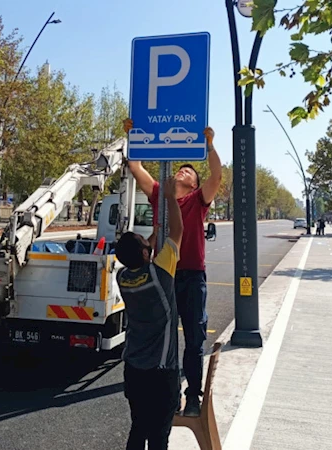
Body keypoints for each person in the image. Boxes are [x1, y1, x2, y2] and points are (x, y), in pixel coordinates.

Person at [123, 118, 222, 417]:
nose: (183, 170)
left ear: (193, 183)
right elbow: (135, 167)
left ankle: (193, 396)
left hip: (191, 276)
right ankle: (168, 394)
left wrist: (210, 144)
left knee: (194, 338)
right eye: (181, 168)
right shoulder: (158, 195)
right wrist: (133, 136)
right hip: (163, 275)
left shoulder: (198, 200)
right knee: (163, 338)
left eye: (189, 170)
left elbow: (216, 175)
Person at [116, 178, 183, 450]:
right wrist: (170, 198)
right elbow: (178, 231)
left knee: (139, 427)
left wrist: (153, 233)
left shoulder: (123, 277)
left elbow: (140, 254)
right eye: (147, 244)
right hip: (161, 373)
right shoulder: (160, 275)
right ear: (146, 253)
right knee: (159, 437)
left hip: (134, 370)